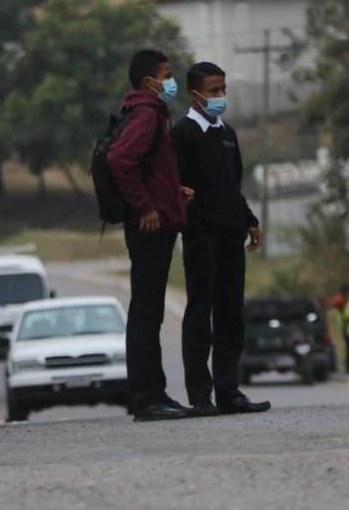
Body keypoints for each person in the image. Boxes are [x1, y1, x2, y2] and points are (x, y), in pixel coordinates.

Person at [171, 62, 271, 416]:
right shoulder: (182, 133)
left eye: (223, 89)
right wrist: (194, 227)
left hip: (231, 237)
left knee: (231, 315)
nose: (220, 97)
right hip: (201, 238)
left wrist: (249, 220)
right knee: (201, 315)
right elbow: (177, 188)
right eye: (214, 91)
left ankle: (230, 391)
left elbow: (233, 185)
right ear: (195, 94)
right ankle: (201, 395)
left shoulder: (227, 134)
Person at [108, 49, 193, 422]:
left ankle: (155, 392)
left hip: (157, 220)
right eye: (168, 74)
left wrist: (173, 193)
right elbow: (120, 160)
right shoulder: (146, 114)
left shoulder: (149, 112)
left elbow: (149, 168)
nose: (172, 81)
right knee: (145, 313)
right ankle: (146, 398)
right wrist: (145, 207)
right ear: (150, 81)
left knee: (151, 311)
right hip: (149, 228)